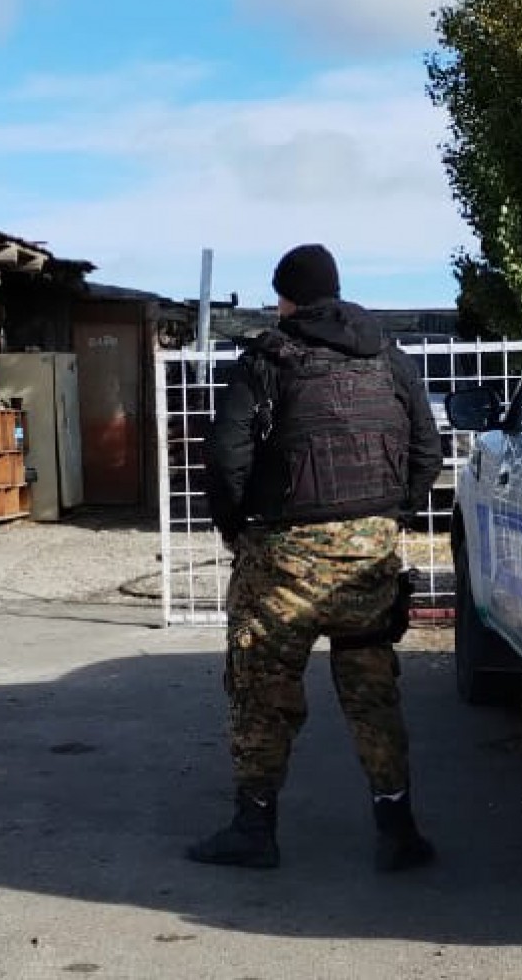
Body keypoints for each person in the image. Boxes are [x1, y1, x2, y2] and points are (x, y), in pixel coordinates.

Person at [188, 243, 445, 870]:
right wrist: (391, 517)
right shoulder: (387, 355)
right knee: (371, 690)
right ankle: (398, 830)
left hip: (283, 558)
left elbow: (226, 456)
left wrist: (235, 529)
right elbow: (428, 449)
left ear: (287, 297)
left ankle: (254, 829)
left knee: (262, 688)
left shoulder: (267, 359)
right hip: (370, 556)